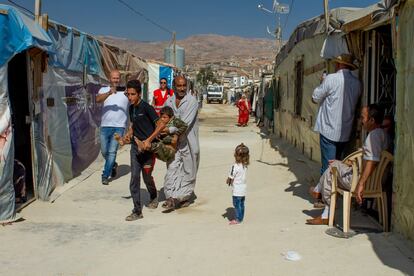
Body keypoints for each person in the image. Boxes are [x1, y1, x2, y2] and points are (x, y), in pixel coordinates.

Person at [306, 104, 389, 225]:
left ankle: (322, 199)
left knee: (332, 168)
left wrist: (361, 184)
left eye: (363, 118)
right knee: (335, 166)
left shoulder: (373, 137)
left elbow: (372, 161)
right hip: (377, 182)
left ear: (371, 120)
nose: (361, 121)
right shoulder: (383, 135)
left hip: (362, 182)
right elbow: (370, 159)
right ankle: (320, 194)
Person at [312, 54, 361, 175]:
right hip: (346, 132)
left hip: (329, 130)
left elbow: (315, 98)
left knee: (328, 167)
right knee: (339, 165)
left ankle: (326, 193)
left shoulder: (331, 79)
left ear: (338, 65)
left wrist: (322, 83)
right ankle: (334, 192)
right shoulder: (358, 83)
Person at [119, 80, 159, 221]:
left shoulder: (147, 108)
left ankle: (153, 196)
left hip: (148, 149)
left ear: (139, 93)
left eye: (133, 94)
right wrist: (128, 135)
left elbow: (159, 126)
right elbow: (133, 125)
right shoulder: (131, 108)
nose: (130, 97)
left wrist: (149, 140)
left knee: (147, 177)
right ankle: (137, 211)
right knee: (134, 178)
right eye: (128, 94)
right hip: (135, 149)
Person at [161, 76, 200, 210]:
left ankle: (184, 196)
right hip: (172, 142)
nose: (182, 88)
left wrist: (169, 130)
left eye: (184, 86)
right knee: (172, 168)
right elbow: (164, 119)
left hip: (188, 141)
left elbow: (185, 124)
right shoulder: (169, 101)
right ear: (174, 86)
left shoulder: (192, 101)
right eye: (179, 86)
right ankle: (171, 197)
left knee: (188, 170)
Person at [96, 70, 129, 185]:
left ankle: (105, 175)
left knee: (111, 152)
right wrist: (109, 92)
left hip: (119, 127)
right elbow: (98, 100)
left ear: (120, 79)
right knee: (104, 151)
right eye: (114, 78)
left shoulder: (125, 92)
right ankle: (113, 164)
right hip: (105, 126)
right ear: (109, 78)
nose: (116, 80)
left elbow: (134, 100)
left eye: (117, 78)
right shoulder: (103, 90)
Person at [226, 143, 250, 225]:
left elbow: (231, 176)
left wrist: (228, 180)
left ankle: (238, 219)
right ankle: (241, 217)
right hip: (243, 189)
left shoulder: (235, 166)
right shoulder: (245, 165)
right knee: (242, 204)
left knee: (236, 204)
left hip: (237, 190)